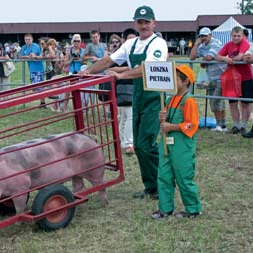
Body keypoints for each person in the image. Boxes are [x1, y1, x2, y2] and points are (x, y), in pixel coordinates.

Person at [80, 5, 168, 199]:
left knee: (146, 145)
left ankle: (162, 185)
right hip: (138, 96)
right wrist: (88, 71)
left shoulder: (158, 43)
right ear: (135, 24)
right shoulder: (131, 44)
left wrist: (122, 75)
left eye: (147, 22)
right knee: (138, 145)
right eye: (140, 22)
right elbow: (108, 60)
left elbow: (147, 68)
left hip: (154, 98)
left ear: (154, 23)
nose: (143, 25)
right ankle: (151, 187)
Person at [151, 64, 202, 219]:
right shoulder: (170, 99)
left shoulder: (189, 101)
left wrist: (171, 126)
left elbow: (191, 124)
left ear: (186, 81)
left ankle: (192, 209)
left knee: (183, 176)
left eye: (176, 78)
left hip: (182, 145)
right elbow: (164, 118)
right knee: (164, 175)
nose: (172, 81)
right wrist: (162, 118)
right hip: (166, 143)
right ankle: (165, 209)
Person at [216, 26, 253, 134]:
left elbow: (240, 56)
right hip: (232, 79)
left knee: (245, 103)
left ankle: (243, 125)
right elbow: (217, 56)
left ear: (242, 36)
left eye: (239, 36)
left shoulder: (245, 43)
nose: (236, 38)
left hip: (245, 77)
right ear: (231, 36)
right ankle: (236, 125)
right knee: (232, 103)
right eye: (234, 36)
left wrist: (229, 59)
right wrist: (225, 58)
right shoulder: (228, 44)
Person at [190, 27, 227, 132]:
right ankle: (222, 124)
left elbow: (210, 57)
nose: (204, 38)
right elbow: (191, 57)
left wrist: (203, 59)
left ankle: (220, 125)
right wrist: (196, 44)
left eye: (205, 36)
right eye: (202, 36)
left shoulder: (215, 43)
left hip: (221, 77)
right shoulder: (201, 46)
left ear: (210, 35)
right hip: (211, 78)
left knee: (215, 101)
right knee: (218, 101)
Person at [114, 28, 138, 155]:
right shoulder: (120, 52)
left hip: (130, 86)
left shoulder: (134, 51)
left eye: (134, 39)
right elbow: (110, 68)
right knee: (129, 116)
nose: (132, 42)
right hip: (123, 86)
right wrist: (129, 68)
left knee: (124, 116)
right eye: (129, 39)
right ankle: (129, 143)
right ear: (123, 40)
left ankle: (123, 142)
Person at [19, 34, 46, 107]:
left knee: (39, 87)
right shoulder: (24, 47)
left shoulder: (35, 46)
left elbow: (33, 56)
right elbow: (20, 57)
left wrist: (28, 56)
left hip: (39, 69)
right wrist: (28, 56)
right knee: (34, 88)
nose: (27, 41)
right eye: (26, 39)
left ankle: (43, 103)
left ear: (32, 39)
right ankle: (42, 102)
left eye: (28, 39)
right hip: (31, 70)